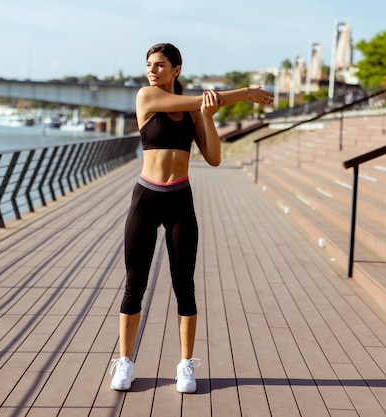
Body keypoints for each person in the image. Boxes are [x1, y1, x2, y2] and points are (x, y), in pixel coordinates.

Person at [109, 43, 274, 393]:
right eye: (149, 65)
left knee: (185, 286)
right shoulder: (146, 98)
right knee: (134, 284)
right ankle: (125, 362)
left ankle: (186, 365)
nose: (152, 71)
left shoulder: (194, 111)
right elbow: (196, 100)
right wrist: (245, 93)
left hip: (180, 200)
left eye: (160, 65)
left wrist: (210, 119)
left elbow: (213, 157)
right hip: (146, 197)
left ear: (176, 69)